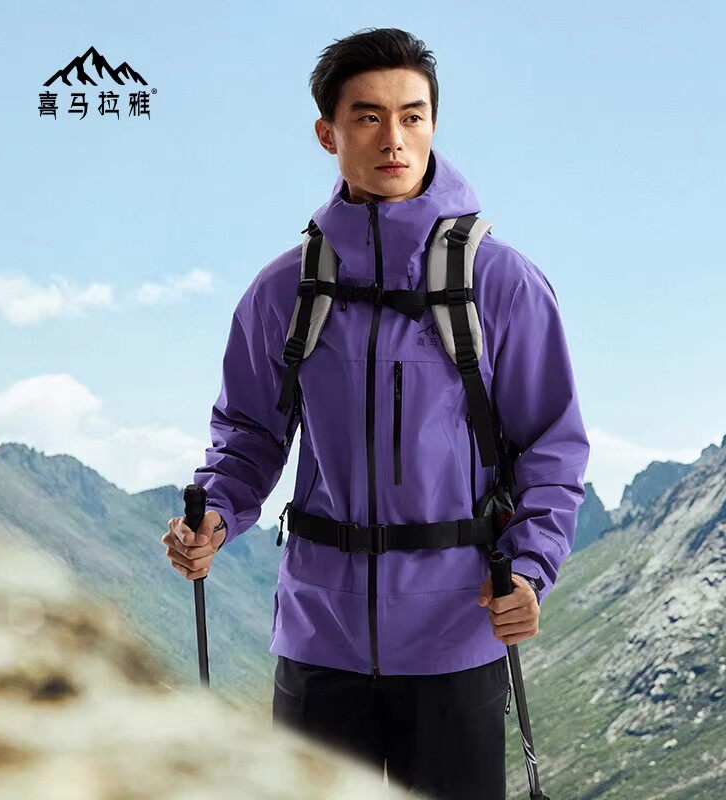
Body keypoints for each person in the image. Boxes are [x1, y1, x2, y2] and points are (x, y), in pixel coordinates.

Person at [163, 27, 590, 800]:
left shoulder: (503, 284)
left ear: (432, 124)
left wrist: (529, 569)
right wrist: (215, 516)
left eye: (412, 116)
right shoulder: (282, 291)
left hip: (457, 638)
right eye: (368, 117)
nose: (394, 139)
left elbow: (551, 448)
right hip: (317, 641)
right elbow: (248, 435)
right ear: (327, 133)